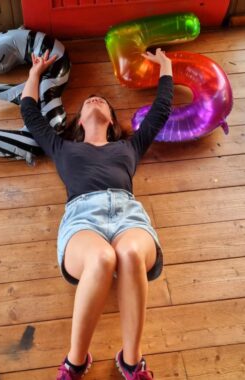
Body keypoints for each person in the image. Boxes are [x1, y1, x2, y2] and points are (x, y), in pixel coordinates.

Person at [20, 47, 173, 380]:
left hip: (127, 215)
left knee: (130, 253)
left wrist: (166, 66)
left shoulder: (128, 146)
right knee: (103, 258)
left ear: (113, 120)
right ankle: (75, 363)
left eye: (102, 100)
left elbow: (160, 111)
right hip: (82, 218)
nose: (94, 99)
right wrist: (34, 74)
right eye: (88, 100)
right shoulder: (63, 147)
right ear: (77, 120)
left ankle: (132, 362)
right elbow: (30, 113)